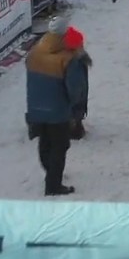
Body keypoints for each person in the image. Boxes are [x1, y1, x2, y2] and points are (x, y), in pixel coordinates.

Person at [25, 18, 90, 196]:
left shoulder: (34, 53)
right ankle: (53, 185)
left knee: (44, 143)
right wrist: (75, 109)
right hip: (58, 111)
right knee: (60, 146)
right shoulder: (68, 59)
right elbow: (75, 90)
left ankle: (50, 173)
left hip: (36, 109)